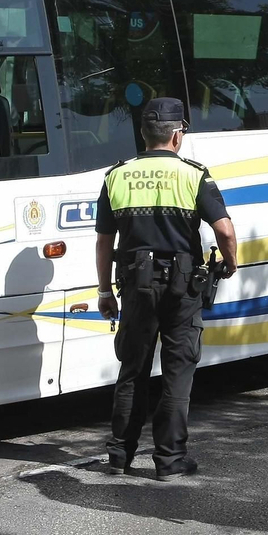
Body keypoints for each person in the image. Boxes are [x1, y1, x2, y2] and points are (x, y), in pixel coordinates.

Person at [95, 97, 238, 480]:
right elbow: (223, 229)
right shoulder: (194, 174)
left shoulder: (117, 175)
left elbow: (104, 241)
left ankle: (119, 456)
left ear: (144, 134)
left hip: (135, 286)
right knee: (178, 370)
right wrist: (231, 261)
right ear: (177, 136)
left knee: (133, 369)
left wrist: (105, 291)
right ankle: (169, 460)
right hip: (182, 287)